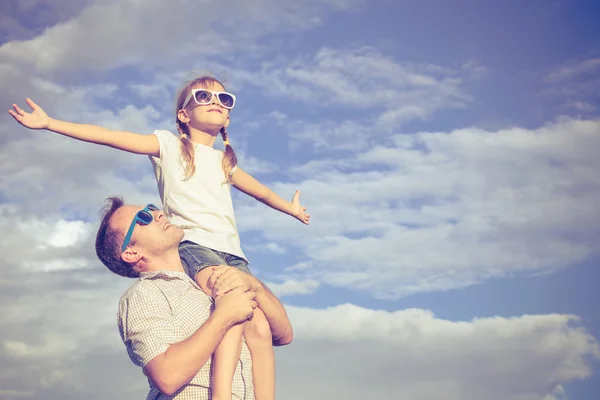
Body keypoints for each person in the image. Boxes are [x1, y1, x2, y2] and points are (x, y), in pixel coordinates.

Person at [9, 74, 308, 400]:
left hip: (233, 253)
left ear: (228, 116)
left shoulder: (225, 162)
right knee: (231, 311)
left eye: (224, 99)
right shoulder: (168, 146)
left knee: (260, 327)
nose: (216, 103)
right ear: (183, 114)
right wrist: (51, 123)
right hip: (197, 245)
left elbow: (261, 191)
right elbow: (110, 136)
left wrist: (290, 210)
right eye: (203, 96)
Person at [95, 196, 293, 399]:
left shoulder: (210, 284)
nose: (158, 213)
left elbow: (284, 334)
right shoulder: (143, 294)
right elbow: (167, 376)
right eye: (143, 218)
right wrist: (224, 316)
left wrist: (256, 287)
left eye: (152, 208)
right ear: (131, 253)